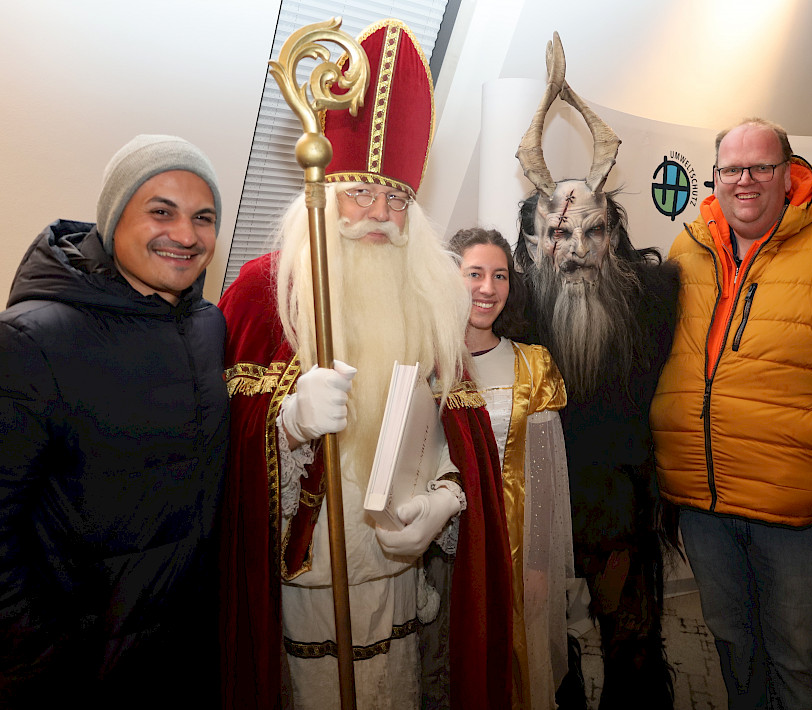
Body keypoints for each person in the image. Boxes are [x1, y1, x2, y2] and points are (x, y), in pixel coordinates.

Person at [218, 19, 512, 710]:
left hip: (400, 580)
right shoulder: (264, 293)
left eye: (398, 198)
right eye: (360, 193)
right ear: (324, 194)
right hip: (308, 586)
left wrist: (446, 495)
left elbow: (452, 435)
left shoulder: (432, 296)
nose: (380, 214)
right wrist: (285, 425)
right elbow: (218, 463)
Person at [0, 134, 228, 708]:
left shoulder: (207, 328)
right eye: (161, 211)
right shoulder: (33, 338)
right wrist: (35, 654)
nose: (185, 235)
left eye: (203, 217)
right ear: (112, 217)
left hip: (178, 651)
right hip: (75, 666)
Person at [652, 117, 812, 709]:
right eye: (732, 169)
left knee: (795, 656)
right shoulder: (689, 244)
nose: (745, 181)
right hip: (704, 502)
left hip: (795, 503)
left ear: (789, 174)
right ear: (715, 177)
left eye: (760, 167)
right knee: (734, 647)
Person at [514, 33, 679, 709]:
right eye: (559, 234)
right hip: (546, 505)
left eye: (592, 232)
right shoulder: (516, 306)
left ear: (614, 236)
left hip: (621, 505)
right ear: (535, 241)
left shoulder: (656, 296)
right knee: (549, 646)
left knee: (632, 642)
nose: (576, 250)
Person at [448, 227, 573, 710]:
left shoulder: (532, 364)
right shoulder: (425, 360)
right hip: (445, 548)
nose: (488, 288)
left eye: (499, 276)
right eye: (474, 273)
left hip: (514, 547)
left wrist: (540, 564)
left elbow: (544, 475)